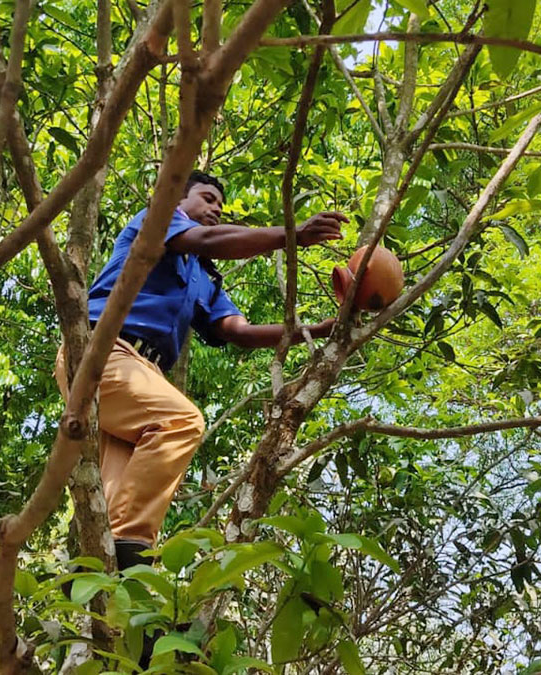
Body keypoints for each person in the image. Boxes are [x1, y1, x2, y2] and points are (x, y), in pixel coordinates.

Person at [58, 171, 345, 572]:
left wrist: (319, 330)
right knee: (180, 421)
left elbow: (239, 332)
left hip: (141, 377)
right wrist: (292, 234)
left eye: (220, 206)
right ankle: (131, 552)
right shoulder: (156, 219)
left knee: (114, 505)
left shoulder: (203, 278)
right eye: (208, 198)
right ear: (176, 199)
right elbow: (207, 239)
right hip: (103, 351)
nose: (215, 209)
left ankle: (102, 581)